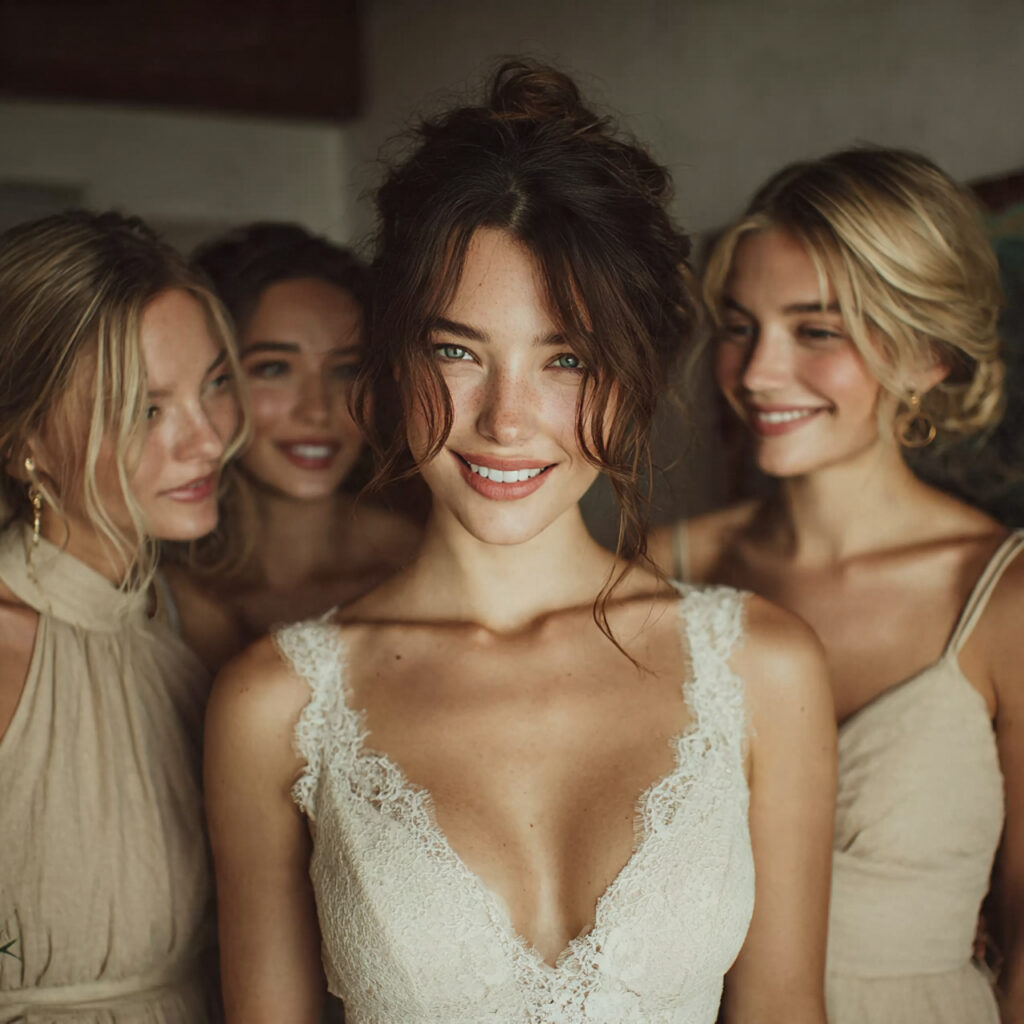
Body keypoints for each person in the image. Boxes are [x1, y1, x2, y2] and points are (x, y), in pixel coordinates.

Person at [205, 62, 837, 1024]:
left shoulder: (763, 666)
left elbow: (786, 1011)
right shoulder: (275, 700)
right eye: (456, 351)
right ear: (390, 358)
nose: (506, 420)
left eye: (567, 359)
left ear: (630, 377)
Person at [648, 147, 1024, 1024]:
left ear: (929, 353)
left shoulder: (1004, 598)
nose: (758, 372)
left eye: (817, 330)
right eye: (740, 326)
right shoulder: (657, 572)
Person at [0, 210, 245, 1022]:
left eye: (214, 385)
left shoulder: (194, 621)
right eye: (146, 409)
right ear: (26, 440)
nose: (207, 439)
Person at [189, 223, 421, 636]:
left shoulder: (423, 560)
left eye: (346, 370)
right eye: (274, 368)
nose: (317, 411)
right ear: (210, 383)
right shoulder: (158, 586)